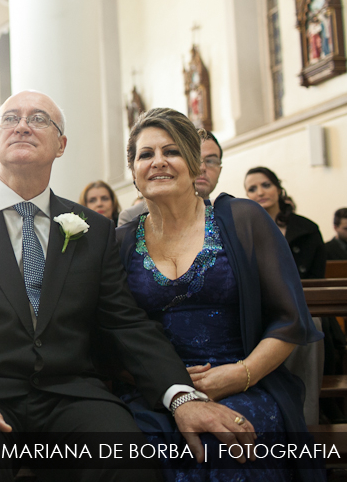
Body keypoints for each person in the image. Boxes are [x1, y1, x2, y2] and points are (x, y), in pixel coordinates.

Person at [0, 91, 256, 482]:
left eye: (39, 119)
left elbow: (125, 323)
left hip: (69, 395)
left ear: (61, 145)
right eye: (10, 119)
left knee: (131, 466)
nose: (22, 125)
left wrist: (181, 396)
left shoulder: (93, 227)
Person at [116, 108, 323, 480]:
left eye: (172, 151)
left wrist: (240, 375)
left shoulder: (243, 220)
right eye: (146, 154)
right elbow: (115, 333)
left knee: (226, 441)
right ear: (133, 171)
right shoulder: (120, 244)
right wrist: (172, 388)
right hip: (156, 393)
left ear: (196, 165)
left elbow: (289, 320)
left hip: (246, 381)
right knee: (135, 450)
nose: (158, 161)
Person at [244, 166, 337, 424]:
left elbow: (316, 279)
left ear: (278, 189)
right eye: (252, 188)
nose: (260, 192)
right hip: (265, 311)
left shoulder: (307, 229)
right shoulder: (244, 230)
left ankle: (305, 425)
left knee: (309, 324)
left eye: (265, 185)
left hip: (305, 307)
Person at [118, 132, 223, 226]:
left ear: (220, 170)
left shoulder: (229, 213)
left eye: (210, 161)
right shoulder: (131, 221)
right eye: (146, 155)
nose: (202, 168)